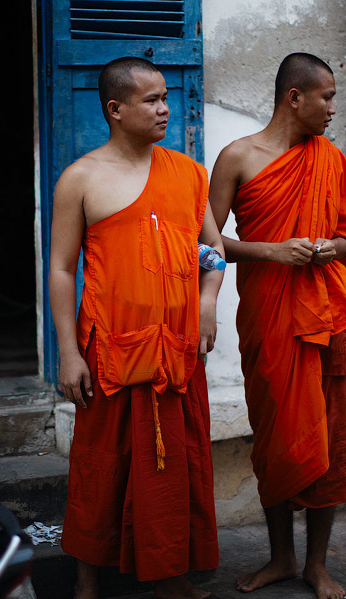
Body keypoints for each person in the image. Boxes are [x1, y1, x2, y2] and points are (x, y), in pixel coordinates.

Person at [208, 53, 346, 599]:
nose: (333, 108)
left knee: (328, 439)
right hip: (269, 313)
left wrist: (335, 245)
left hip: (323, 317)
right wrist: (274, 252)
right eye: (327, 97)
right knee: (277, 436)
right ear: (295, 98)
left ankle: (317, 564)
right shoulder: (237, 157)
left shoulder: (328, 159)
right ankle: (281, 557)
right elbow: (207, 244)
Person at [49, 57, 224, 599]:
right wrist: (69, 353)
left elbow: (213, 251)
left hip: (175, 348)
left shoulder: (189, 173)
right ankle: (87, 578)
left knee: (174, 463)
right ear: (115, 109)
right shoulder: (81, 179)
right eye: (151, 100)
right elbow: (60, 269)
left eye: (166, 96)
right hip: (112, 349)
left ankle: (170, 574)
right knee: (101, 465)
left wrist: (207, 305)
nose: (165, 108)